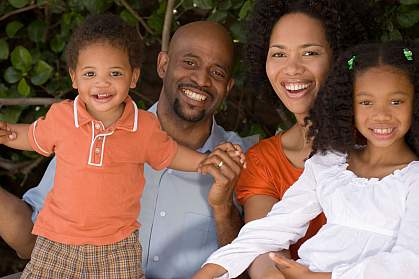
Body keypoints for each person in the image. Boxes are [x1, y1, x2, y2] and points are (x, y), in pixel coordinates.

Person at [0, 20, 258, 278]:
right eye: (189, 62)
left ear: (228, 87)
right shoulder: (84, 131)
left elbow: (249, 269)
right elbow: (31, 240)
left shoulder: (238, 158)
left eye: (217, 73)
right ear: (163, 65)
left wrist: (223, 207)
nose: (201, 79)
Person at [194, 40, 419, 279]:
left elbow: (410, 263)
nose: (381, 115)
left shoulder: (413, 180)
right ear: (347, 106)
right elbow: (274, 226)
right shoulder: (329, 163)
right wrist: (210, 270)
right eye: (366, 102)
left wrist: (316, 278)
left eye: (396, 101)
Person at [234, 1, 369, 276]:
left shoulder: (382, 136)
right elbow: (265, 258)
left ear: (340, 57)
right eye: (279, 54)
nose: (292, 69)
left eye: (309, 52)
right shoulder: (263, 159)